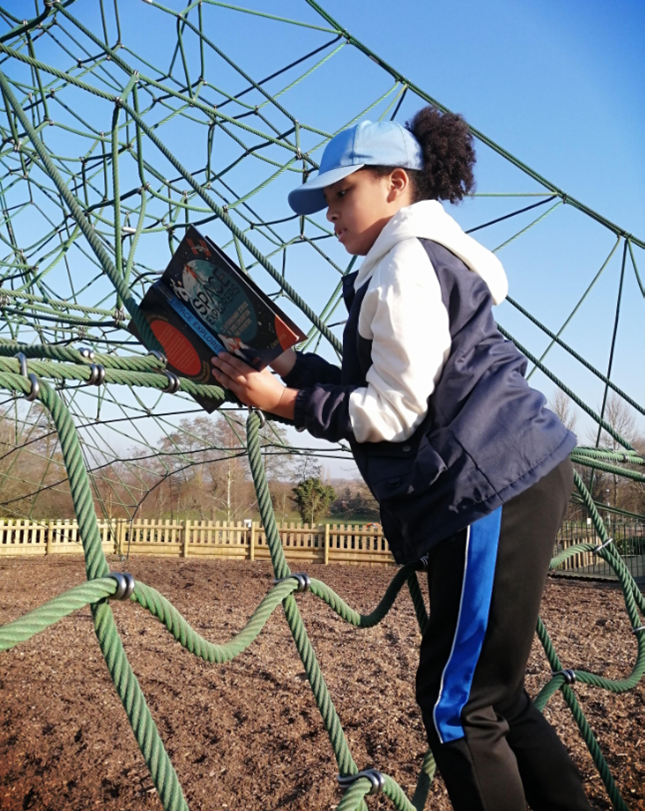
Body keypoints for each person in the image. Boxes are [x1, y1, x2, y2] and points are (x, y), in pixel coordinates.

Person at [211, 109, 592, 811]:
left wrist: (285, 402)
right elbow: (384, 383)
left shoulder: (403, 263)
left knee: (458, 707)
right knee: (495, 696)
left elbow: (394, 411)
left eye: (342, 193)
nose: (330, 213)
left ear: (395, 184)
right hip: (511, 473)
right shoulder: (416, 256)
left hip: (486, 487)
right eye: (325, 200)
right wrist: (288, 366)